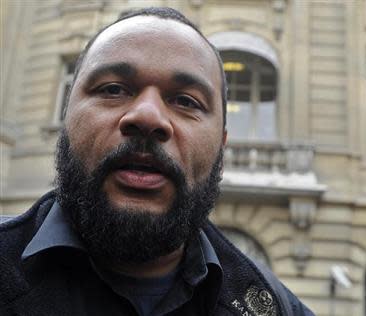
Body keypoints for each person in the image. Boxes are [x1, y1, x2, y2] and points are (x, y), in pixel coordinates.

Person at [0, 7, 314, 316]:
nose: (148, 117)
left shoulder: (278, 308)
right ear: (65, 116)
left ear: (222, 145)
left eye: (186, 101)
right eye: (113, 89)